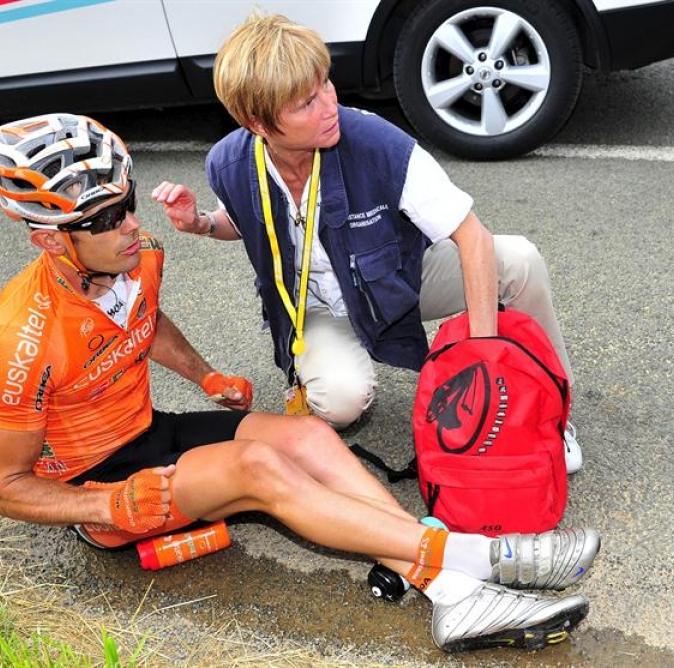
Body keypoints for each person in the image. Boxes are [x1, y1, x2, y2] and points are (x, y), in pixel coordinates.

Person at [0, 113, 601, 653]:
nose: (132, 225)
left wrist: (204, 374)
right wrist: (104, 505)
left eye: (130, 201)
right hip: (102, 486)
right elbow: (5, 490)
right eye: (107, 218)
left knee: (310, 438)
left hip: (149, 430)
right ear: (49, 239)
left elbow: (147, 320)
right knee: (260, 469)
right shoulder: (18, 339)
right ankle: (480, 561)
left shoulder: (134, 260)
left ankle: (449, 590)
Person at [152, 11, 584, 473]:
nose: (329, 105)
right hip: (317, 305)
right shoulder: (229, 163)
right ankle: (324, 370)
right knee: (339, 401)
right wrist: (201, 222)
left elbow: (471, 237)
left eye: (325, 84)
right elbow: (243, 222)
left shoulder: (378, 143)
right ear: (258, 124)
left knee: (518, 260)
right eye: (306, 103)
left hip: (398, 281)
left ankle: (553, 414)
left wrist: (484, 358)